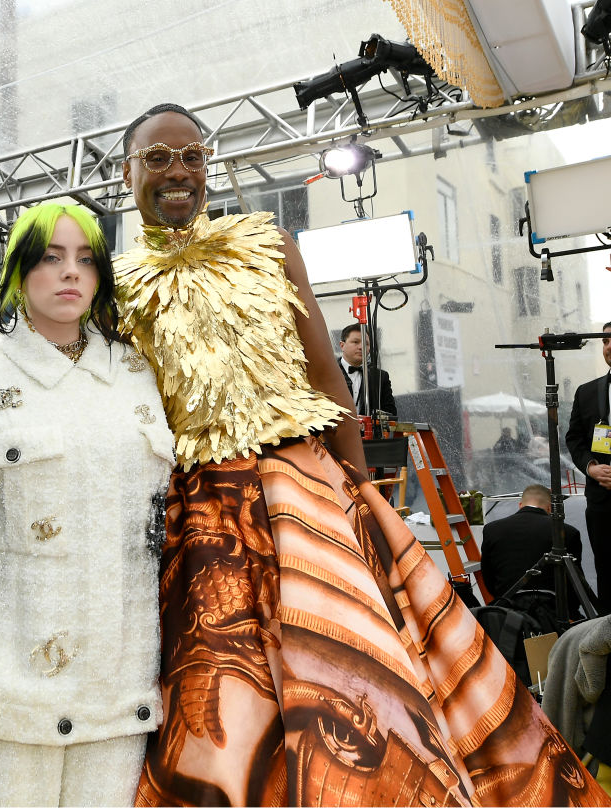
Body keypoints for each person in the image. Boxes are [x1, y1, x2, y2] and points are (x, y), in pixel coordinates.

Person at [115, 102, 609, 807]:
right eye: (158, 158)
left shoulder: (267, 242)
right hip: (201, 520)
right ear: (126, 171)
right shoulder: (114, 286)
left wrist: (360, 492)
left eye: (193, 157)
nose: (178, 173)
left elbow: (325, 372)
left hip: (305, 491)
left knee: (358, 679)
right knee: (226, 699)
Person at [0, 202, 174, 806]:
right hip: (5, 676)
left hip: (120, 678)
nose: (70, 274)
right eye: (51, 258)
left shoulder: (139, 376)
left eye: (86, 260)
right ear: (18, 271)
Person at [480, 484, 585, 612]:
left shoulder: (492, 529)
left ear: (520, 505)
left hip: (508, 610)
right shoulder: (567, 532)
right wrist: (571, 611)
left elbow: (488, 575)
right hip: (552, 610)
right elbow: (575, 580)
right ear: (550, 508)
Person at [566, 320, 611, 615]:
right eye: (605, 341)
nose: (609, 347)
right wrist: (591, 467)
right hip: (603, 502)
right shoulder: (587, 392)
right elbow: (574, 438)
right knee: (606, 572)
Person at [337, 322, 397, 416]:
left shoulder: (380, 377)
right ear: (342, 345)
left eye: (366, 343)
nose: (361, 347)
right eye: (355, 342)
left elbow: (391, 414)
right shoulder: (328, 373)